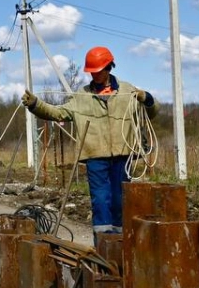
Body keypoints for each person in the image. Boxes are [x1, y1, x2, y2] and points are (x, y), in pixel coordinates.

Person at [22, 46, 156, 234]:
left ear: (109, 67)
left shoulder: (128, 91)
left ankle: (120, 243)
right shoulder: (81, 97)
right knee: (101, 200)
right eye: (92, 72)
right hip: (95, 157)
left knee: (120, 201)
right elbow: (58, 112)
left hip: (122, 156)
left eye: (98, 71)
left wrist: (147, 99)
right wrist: (36, 105)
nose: (94, 75)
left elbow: (152, 113)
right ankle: (103, 243)